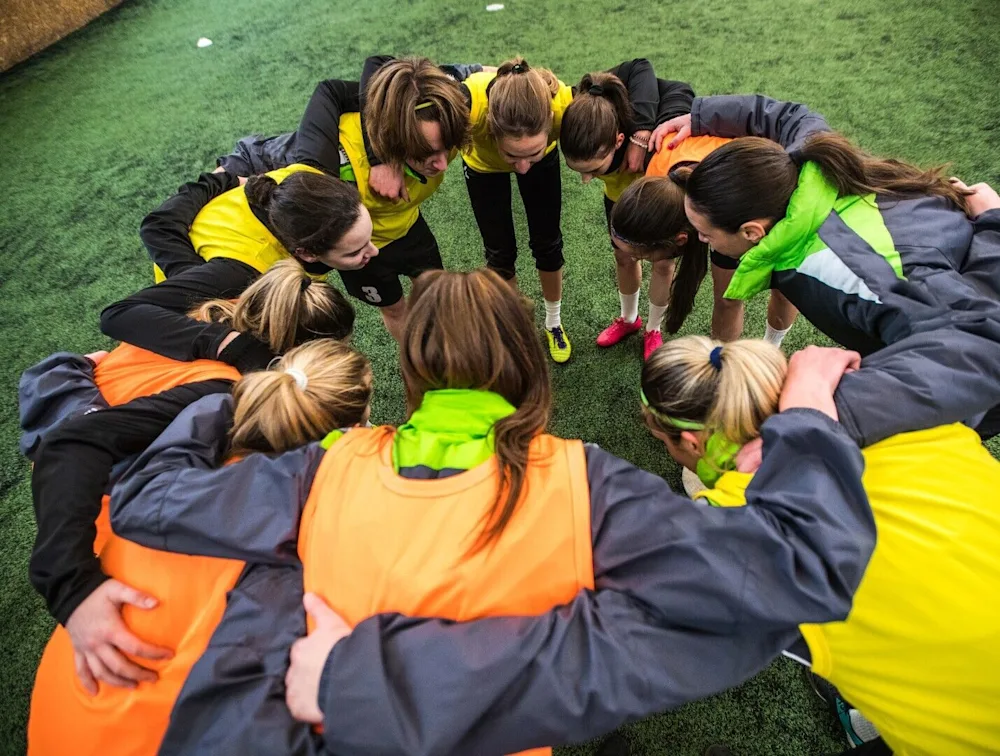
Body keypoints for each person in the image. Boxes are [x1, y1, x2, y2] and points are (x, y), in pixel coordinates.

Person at [107, 269, 874, 754]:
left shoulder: (320, 471)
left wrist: (231, 394)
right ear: (527, 364)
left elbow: (143, 499)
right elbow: (798, 574)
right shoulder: (584, 483)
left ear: (411, 372)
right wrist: (807, 413)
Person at [636, 336, 1000, 756]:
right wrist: (808, 405)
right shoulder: (890, 400)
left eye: (664, 441)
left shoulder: (734, 525)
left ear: (691, 442)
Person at [27, 338, 373, 756]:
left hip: (58, 720)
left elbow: (79, 442)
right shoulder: (312, 533)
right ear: (355, 425)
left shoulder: (157, 479)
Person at [19, 260, 354, 685]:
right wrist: (71, 586)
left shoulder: (208, 306)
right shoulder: (220, 392)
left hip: (80, 439)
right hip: (105, 515)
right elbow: (74, 445)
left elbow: (118, 321)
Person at [602, 95, 826, 357]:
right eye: (701, 233)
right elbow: (789, 116)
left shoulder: (796, 228)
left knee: (783, 290)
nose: (702, 240)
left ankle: (770, 353)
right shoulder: (661, 178)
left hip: (758, 203)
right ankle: (722, 363)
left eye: (706, 235)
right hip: (733, 200)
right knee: (728, 297)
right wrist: (702, 116)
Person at [100, 167, 371, 374]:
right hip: (196, 298)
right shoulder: (238, 274)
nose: (374, 251)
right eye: (354, 251)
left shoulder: (304, 182)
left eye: (369, 239)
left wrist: (227, 179)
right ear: (306, 253)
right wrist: (231, 345)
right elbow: (117, 315)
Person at [559, 68, 694, 358]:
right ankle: (630, 319)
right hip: (619, 198)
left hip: (656, 201)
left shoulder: (652, 142)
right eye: (577, 170)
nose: (586, 180)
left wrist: (643, 133)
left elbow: (673, 85)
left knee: (662, 264)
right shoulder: (589, 114)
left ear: (619, 140)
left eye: (594, 169)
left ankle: (654, 328)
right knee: (623, 256)